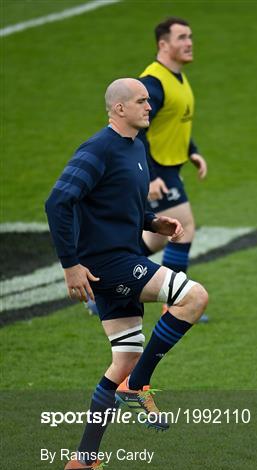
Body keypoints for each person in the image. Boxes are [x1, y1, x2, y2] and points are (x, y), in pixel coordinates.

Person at [45, 78, 208, 470]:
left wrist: (155, 224)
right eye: (141, 101)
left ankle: (83, 459)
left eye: (150, 102)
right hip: (107, 264)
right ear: (118, 108)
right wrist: (70, 266)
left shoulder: (136, 147)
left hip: (122, 255)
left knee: (124, 358)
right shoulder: (97, 149)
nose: (149, 106)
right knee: (193, 297)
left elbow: (123, 206)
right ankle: (139, 386)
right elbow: (57, 201)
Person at [85, 17, 209, 322]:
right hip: (157, 169)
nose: (189, 42)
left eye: (190, 36)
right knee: (184, 227)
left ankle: (101, 284)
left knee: (155, 238)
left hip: (169, 166)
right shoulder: (154, 82)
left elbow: (172, 122)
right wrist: (150, 175)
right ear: (163, 45)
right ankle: (174, 300)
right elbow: (136, 128)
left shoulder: (176, 77)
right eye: (181, 37)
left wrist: (191, 151)